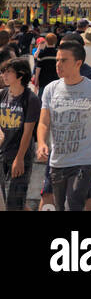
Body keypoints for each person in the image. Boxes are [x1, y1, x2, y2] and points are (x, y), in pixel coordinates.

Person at [36, 39, 91, 211]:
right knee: (59, 206)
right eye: (57, 60)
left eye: (63, 60)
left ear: (78, 63)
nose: (58, 64)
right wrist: (41, 143)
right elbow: (43, 122)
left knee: (74, 203)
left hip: (84, 161)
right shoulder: (50, 89)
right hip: (57, 160)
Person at [0, 58, 39, 210]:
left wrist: (20, 158)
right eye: (3, 72)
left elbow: (28, 132)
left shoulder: (31, 99)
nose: (4, 75)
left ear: (21, 75)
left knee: (14, 203)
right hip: (3, 153)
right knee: (8, 203)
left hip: (21, 155)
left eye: (8, 72)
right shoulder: (2, 94)